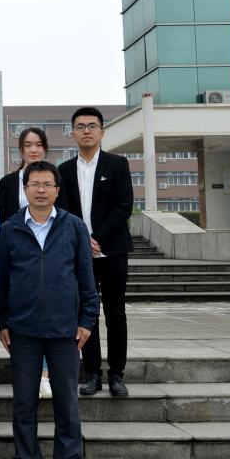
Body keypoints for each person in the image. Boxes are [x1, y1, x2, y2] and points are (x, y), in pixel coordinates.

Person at [0, 160, 99, 459]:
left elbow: (87, 279)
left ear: (57, 190)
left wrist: (87, 320)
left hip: (64, 330)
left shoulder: (74, 227)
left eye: (47, 185)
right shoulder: (10, 229)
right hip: (23, 330)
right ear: (24, 189)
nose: (40, 190)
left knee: (67, 402)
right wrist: (3, 321)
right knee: (24, 402)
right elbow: (1, 281)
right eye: (34, 184)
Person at [58, 107, 134, 398]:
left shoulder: (117, 164)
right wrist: (82, 240)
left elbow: (124, 206)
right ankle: (92, 374)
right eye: (80, 126)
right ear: (73, 133)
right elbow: (62, 210)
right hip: (80, 255)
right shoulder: (64, 170)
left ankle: (116, 375)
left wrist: (97, 237)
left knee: (115, 313)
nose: (86, 131)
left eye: (92, 126)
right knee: (85, 315)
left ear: (102, 131)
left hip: (112, 251)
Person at [0, 127, 58, 399]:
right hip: (18, 254)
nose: (33, 149)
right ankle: (27, 373)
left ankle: (45, 374)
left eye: (38, 144)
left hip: (48, 255)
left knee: (47, 310)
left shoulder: (55, 179)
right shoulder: (8, 182)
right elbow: (2, 219)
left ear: (45, 148)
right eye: (28, 145)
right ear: (20, 150)